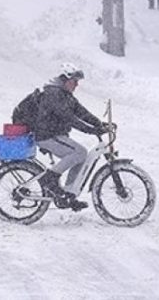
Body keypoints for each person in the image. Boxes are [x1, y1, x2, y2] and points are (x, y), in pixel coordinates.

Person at [32, 64, 111, 212]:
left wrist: (99, 123)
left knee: (81, 155)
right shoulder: (53, 94)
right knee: (79, 152)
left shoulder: (65, 94)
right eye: (74, 81)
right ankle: (49, 179)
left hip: (55, 135)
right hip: (47, 136)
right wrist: (91, 130)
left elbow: (81, 112)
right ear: (65, 79)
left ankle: (69, 194)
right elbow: (69, 118)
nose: (77, 85)